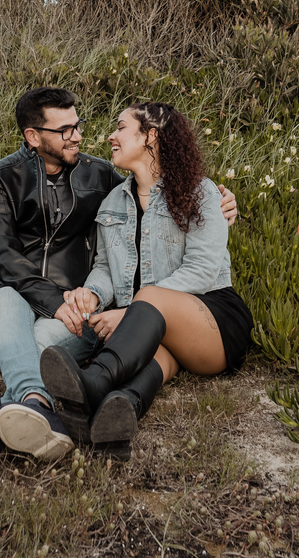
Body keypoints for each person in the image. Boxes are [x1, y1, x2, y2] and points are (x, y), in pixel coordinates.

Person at [0, 88, 238, 471]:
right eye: (65, 130)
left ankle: (38, 407)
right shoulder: (11, 180)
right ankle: (35, 413)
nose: (82, 136)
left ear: (151, 136)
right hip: (57, 303)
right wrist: (84, 294)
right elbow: (10, 255)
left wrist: (222, 204)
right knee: (15, 316)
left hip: (157, 313)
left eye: (79, 125)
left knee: (53, 347)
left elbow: (197, 258)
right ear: (33, 136)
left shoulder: (107, 175)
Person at [40, 101, 253, 450]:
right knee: (155, 360)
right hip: (157, 332)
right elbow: (106, 267)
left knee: (149, 297)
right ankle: (120, 412)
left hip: (212, 321)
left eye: (121, 127)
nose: (111, 136)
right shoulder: (112, 203)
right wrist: (92, 293)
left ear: (151, 136)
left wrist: (130, 312)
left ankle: (94, 382)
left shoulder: (200, 192)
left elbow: (202, 271)